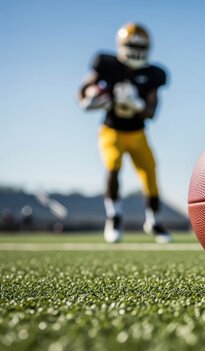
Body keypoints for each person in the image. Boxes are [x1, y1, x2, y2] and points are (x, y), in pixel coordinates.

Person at [78, 22, 170, 244]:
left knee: (150, 174)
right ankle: (114, 217)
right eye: (132, 46)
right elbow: (82, 92)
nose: (136, 52)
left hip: (138, 133)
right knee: (113, 165)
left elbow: (151, 112)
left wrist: (137, 105)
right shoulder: (106, 64)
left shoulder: (153, 74)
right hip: (112, 130)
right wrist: (88, 101)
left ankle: (154, 221)